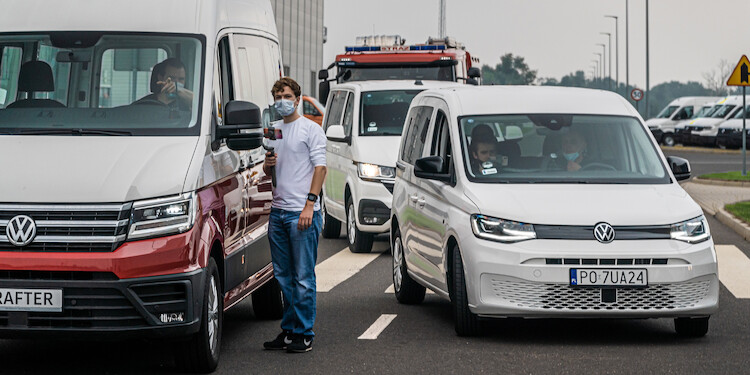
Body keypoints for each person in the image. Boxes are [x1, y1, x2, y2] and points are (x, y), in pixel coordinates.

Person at [262, 77, 327, 353]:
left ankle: (304, 332)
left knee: (302, 276)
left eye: (287, 96)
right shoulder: (272, 130)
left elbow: (320, 169)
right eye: (277, 97)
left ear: (298, 99)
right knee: (282, 276)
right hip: (278, 212)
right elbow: (269, 172)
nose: (282, 101)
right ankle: (289, 329)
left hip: (302, 213)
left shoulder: (310, 130)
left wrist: (310, 205)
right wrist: (267, 165)